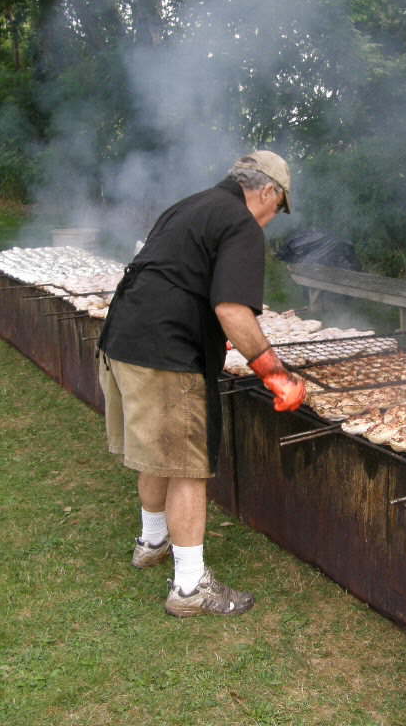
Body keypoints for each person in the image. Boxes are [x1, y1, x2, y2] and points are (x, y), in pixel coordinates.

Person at [96, 150, 306, 618]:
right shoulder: (241, 224)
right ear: (267, 191)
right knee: (189, 464)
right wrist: (276, 375)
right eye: (279, 207)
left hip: (124, 340)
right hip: (168, 354)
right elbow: (232, 309)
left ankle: (152, 542)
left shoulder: (191, 205)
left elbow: (177, 278)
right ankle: (190, 588)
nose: (273, 218)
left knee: (159, 450)